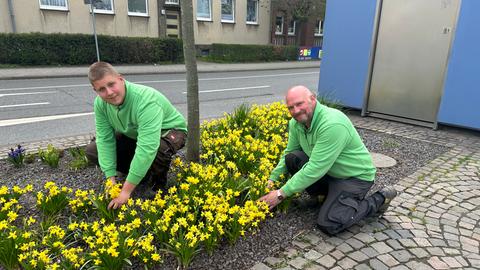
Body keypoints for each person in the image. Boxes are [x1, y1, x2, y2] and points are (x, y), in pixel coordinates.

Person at [259, 85, 397, 235]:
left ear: (313, 99)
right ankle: (322, 197)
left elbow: (316, 167)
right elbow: (290, 152)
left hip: (353, 178)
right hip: (329, 172)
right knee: (292, 159)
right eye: (290, 107)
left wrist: (280, 194)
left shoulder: (332, 124)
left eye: (299, 104)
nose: (295, 111)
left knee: (330, 223)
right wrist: (272, 180)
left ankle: (380, 199)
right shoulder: (296, 123)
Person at [85, 61, 187, 209]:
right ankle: (142, 173)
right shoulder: (100, 104)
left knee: (158, 149)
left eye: (111, 84)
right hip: (136, 133)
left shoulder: (146, 99)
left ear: (121, 79)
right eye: (101, 89)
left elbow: (147, 147)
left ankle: (157, 186)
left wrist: (126, 192)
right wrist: (110, 180)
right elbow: (105, 140)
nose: (109, 93)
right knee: (93, 151)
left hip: (170, 131)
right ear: (95, 90)